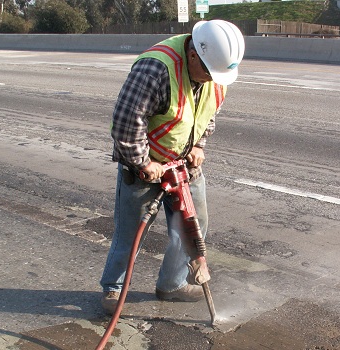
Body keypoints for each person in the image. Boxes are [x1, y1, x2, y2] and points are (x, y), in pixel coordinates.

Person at [100, 19, 245, 314]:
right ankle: (113, 290)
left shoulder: (217, 73)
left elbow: (208, 113)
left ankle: (172, 284)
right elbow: (126, 123)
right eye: (207, 72)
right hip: (146, 165)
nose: (210, 79)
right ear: (193, 54)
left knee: (194, 227)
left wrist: (199, 145)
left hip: (183, 164)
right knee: (131, 232)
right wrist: (143, 163)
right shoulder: (155, 69)